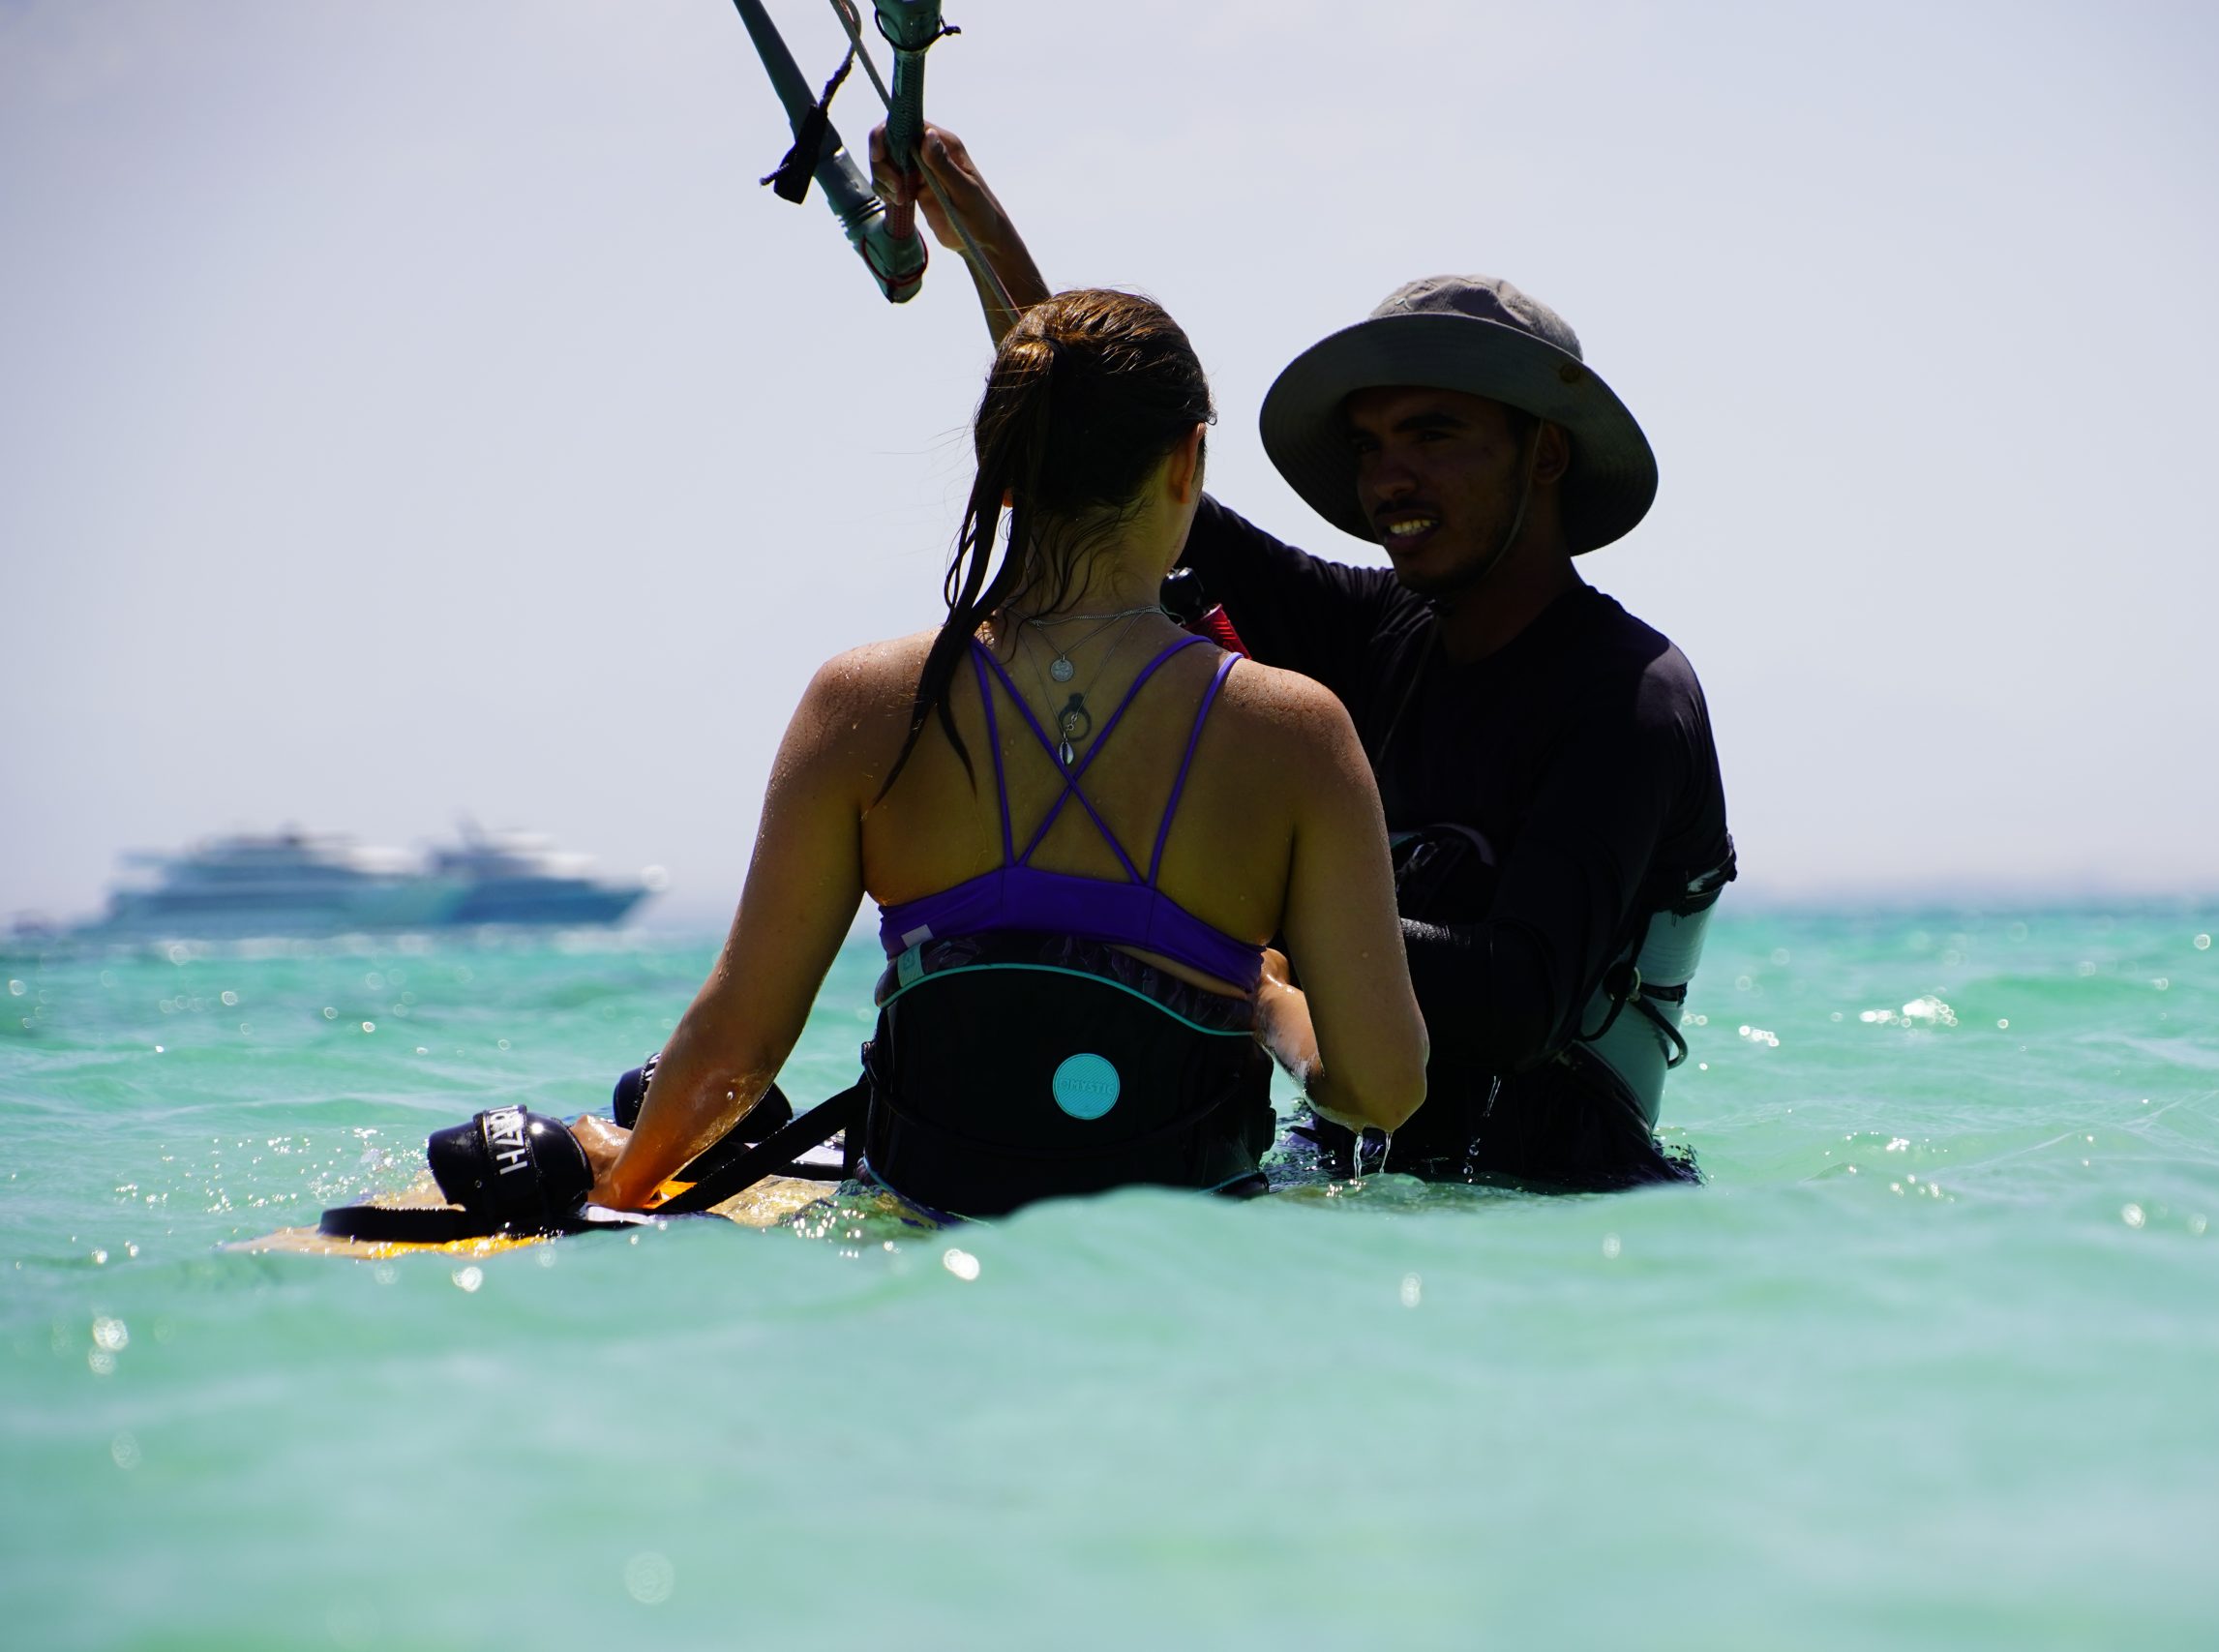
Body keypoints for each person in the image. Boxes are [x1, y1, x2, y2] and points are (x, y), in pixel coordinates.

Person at [874, 127, 1734, 1191]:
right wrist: (985, 242)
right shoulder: (1374, 634)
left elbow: (1521, 1005)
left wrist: (1264, 915)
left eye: (1431, 435)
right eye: (1368, 447)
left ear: (1544, 454)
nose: (1388, 479)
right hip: (1343, 1183)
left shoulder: (1631, 698)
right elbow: (1119, 473)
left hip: (1557, 1209)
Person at [583, 289, 1427, 1220]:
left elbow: (736, 1050)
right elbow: (1382, 1089)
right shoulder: (1295, 732)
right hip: (1187, 1272)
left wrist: (621, 1194)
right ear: (1188, 461)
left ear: (1003, 464)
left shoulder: (861, 703)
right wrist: (1270, 1005)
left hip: (922, 1237)